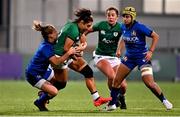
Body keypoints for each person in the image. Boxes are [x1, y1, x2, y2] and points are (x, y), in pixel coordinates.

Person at [105, 6, 173, 111]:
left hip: (142, 57)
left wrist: (150, 51)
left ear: (132, 17)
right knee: (116, 81)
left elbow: (156, 36)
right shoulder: (123, 27)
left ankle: (164, 100)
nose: (125, 19)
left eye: (127, 17)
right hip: (129, 58)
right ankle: (112, 104)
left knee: (149, 83)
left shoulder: (140, 27)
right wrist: (119, 49)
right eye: (124, 17)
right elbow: (123, 38)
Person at [51, 8, 112, 107]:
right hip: (60, 57)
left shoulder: (74, 25)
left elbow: (82, 37)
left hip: (65, 55)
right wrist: (78, 52)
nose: (89, 28)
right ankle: (43, 95)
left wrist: (82, 46)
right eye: (88, 26)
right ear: (82, 22)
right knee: (60, 84)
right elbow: (67, 48)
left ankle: (97, 99)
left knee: (88, 72)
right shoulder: (74, 30)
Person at [25, 20, 78, 111]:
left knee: (61, 83)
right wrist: (69, 53)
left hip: (44, 71)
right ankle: (39, 102)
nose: (57, 33)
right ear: (50, 35)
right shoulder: (45, 48)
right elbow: (56, 62)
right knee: (54, 91)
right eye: (55, 32)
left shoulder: (52, 44)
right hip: (33, 74)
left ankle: (44, 94)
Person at [86, 7, 127, 109]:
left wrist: (119, 49)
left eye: (113, 15)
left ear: (117, 17)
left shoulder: (121, 27)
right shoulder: (101, 25)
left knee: (123, 85)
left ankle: (121, 97)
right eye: (109, 15)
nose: (110, 17)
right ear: (106, 16)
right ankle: (113, 99)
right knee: (112, 77)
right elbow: (86, 31)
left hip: (114, 57)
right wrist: (82, 40)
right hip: (100, 56)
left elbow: (125, 37)